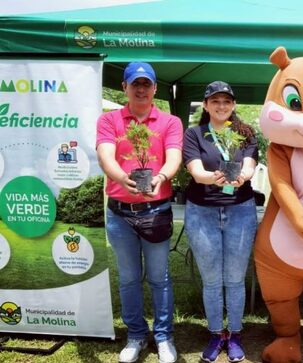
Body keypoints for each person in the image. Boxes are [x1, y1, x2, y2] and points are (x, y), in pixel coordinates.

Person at [96, 62, 183, 363]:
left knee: (160, 277)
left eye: (147, 84)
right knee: (130, 278)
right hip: (120, 213)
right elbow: (105, 155)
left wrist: (161, 177)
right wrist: (122, 178)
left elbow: (174, 157)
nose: (142, 89)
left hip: (156, 208)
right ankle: (135, 335)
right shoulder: (110, 120)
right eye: (136, 84)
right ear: (125, 87)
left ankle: (163, 337)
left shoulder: (170, 122)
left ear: (155, 88)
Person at [182, 81, 258, 363]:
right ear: (205, 105)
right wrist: (212, 178)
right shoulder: (194, 134)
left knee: (235, 279)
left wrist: (244, 176)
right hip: (202, 212)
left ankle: (235, 334)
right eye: (215, 101)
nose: (221, 106)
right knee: (212, 280)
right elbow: (196, 170)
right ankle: (216, 334)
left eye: (226, 101)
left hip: (240, 210)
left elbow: (249, 164)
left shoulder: (246, 133)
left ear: (233, 104)